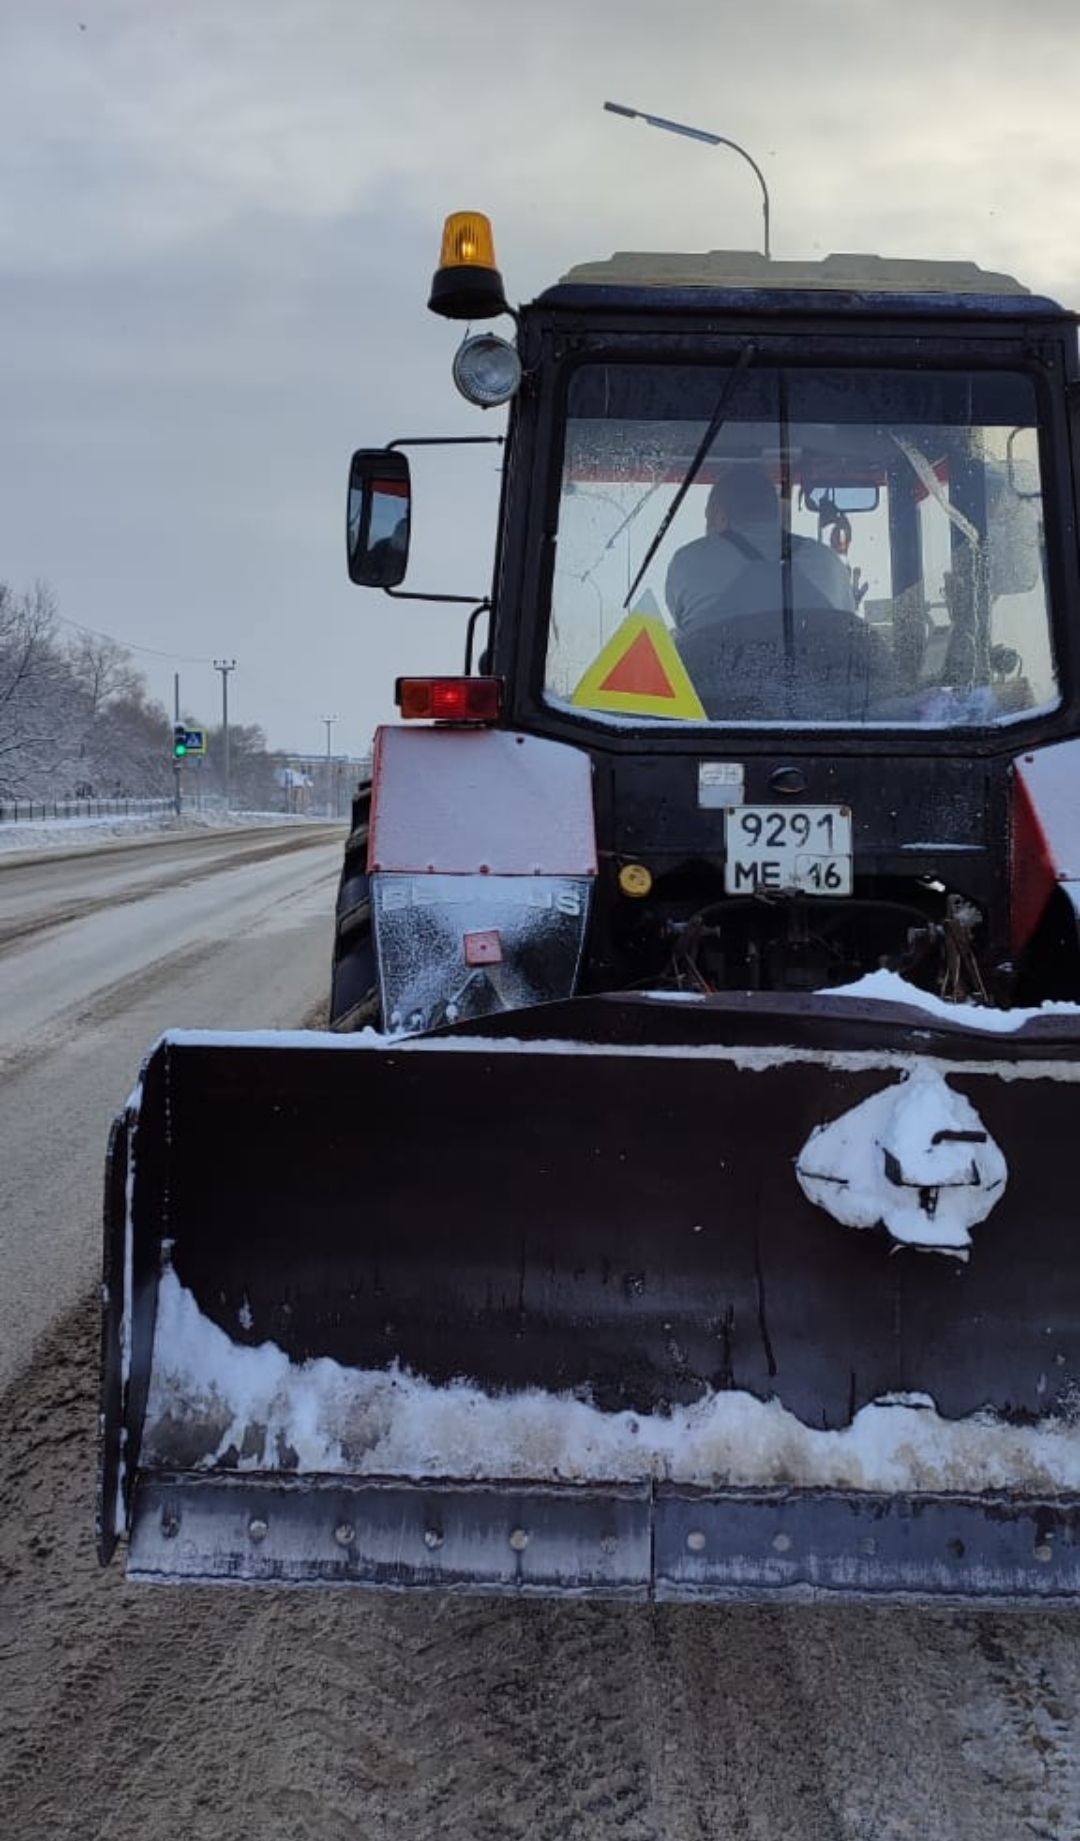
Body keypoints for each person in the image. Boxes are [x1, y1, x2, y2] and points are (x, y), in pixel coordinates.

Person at [665, 464, 856, 638]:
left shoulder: (690, 562)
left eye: (708, 520)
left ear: (720, 516)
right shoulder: (828, 563)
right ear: (775, 515)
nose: (706, 529)